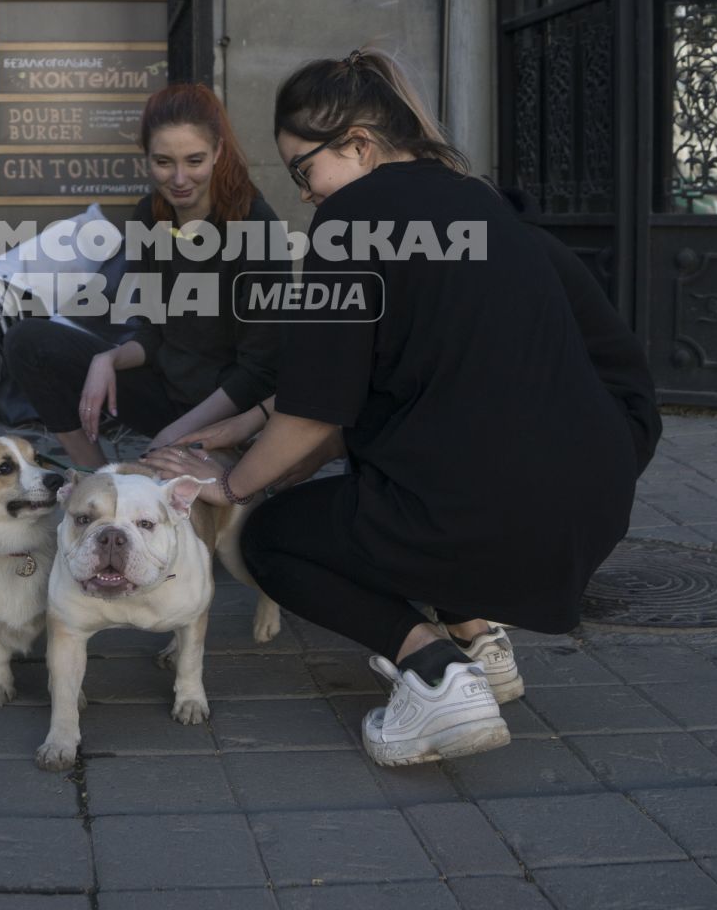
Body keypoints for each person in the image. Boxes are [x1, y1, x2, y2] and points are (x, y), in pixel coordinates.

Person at [145, 48, 660, 768]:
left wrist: (228, 485)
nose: (306, 195)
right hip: (594, 500)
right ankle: (481, 645)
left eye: (303, 171)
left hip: (485, 513)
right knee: (394, 471)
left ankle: (434, 673)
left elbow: (316, 414)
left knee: (276, 538)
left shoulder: (353, 220)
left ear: (358, 144)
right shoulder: (490, 210)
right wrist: (229, 430)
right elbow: (353, 391)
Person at [4, 82, 286, 468]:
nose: (180, 178)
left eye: (194, 160)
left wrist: (174, 437)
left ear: (219, 152)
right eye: (164, 162)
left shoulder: (257, 225)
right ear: (147, 157)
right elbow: (153, 332)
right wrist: (110, 358)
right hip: (164, 392)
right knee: (27, 341)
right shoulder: (149, 215)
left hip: (230, 410)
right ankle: (94, 475)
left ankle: (224, 457)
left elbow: (260, 372)